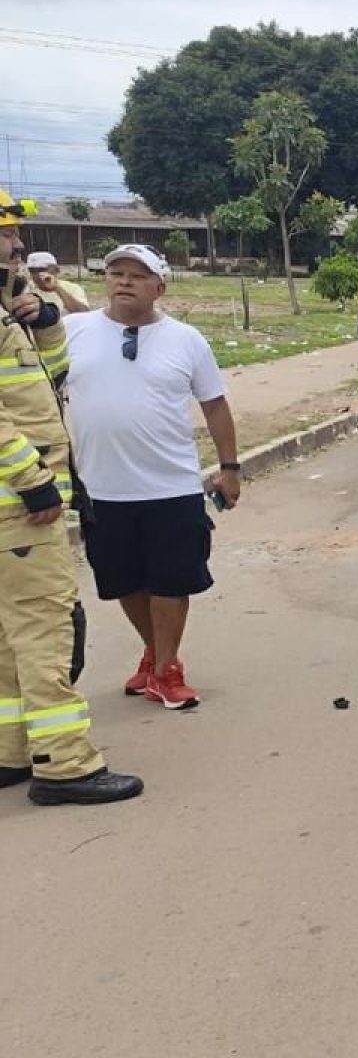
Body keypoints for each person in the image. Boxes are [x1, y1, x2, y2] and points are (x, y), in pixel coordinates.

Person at [0, 189, 143, 805]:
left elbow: (49, 375)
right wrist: (30, 478)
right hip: (17, 502)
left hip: (18, 502)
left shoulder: (9, 304)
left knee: (10, 635)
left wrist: (45, 319)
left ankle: (11, 751)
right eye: (3, 234)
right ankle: (66, 764)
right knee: (44, 627)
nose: (14, 245)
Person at [63, 244, 239, 711]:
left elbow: (215, 405)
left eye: (137, 276)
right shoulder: (71, 332)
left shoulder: (187, 340)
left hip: (172, 486)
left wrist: (230, 468)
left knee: (171, 580)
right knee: (123, 581)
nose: (124, 281)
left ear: (159, 287)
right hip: (101, 487)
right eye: (115, 273)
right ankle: (156, 652)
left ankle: (165, 670)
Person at [23, 251, 85, 384]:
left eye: (42, 270)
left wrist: (56, 288)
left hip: (70, 358)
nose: (38, 275)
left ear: (56, 270)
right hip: (41, 363)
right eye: (32, 271)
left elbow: (84, 314)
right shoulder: (26, 292)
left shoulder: (71, 288)